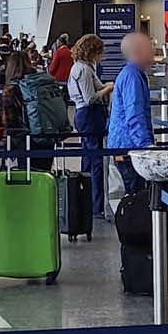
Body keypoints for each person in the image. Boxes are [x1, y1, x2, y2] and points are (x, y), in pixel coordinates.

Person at [105, 30, 157, 194]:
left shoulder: (134, 74)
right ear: (138, 51)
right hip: (129, 148)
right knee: (136, 195)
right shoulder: (132, 77)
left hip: (127, 146)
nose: (153, 52)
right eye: (149, 47)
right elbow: (134, 113)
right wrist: (145, 145)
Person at [67, 34, 112, 217]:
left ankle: (87, 203)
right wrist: (108, 88)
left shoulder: (78, 68)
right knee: (96, 163)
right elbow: (90, 98)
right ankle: (96, 205)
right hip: (89, 116)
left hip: (84, 116)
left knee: (88, 160)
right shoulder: (84, 70)